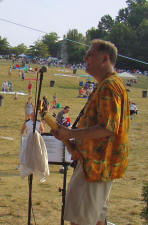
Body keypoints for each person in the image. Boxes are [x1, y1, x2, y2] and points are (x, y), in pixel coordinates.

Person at [52, 39, 129, 225]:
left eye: (90, 54)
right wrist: (70, 142)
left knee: (81, 221)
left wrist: (70, 133)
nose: (85, 57)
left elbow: (108, 128)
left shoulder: (109, 86)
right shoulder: (107, 85)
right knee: (96, 221)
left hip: (96, 168)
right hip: (94, 166)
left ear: (104, 59)